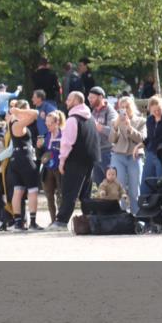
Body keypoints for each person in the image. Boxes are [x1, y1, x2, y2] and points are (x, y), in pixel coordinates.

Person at [54, 92, 100, 230]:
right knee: (86, 194)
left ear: (75, 101)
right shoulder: (90, 118)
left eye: (69, 99)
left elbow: (66, 143)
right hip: (90, 159)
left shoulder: (72, 119)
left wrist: (62, 161)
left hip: (75, 160)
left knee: (69, 191)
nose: (66, 102)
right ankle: (90, 221)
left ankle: (61, 221)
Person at [4, 104, 43, 231]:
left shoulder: (11, 124)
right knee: (33, 190)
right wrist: (19, 111)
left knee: (18, 191)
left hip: (15, 159)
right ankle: (32, 222)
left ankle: (18, 223)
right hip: (25, 159)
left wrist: (17, 112)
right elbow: (35, 114)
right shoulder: (17, 124)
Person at [110, 96, 146, 214]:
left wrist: (130, 127)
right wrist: (116, 126)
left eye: (127, 107)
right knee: (119, 187)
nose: (125, 110)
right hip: (118, 155)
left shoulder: (141, 121)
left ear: (133, 107)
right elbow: (112, 140)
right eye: (122, 107)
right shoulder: (115, 121)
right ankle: (122, 215)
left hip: (134, 156)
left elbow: (143, 139)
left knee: (135, 188)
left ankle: (136, 215)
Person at [88, 87, 118, 186]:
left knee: (111, 184)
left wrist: (99, 127)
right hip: (96, 152)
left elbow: (112, 131)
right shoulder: (93, 112)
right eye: (89, 97)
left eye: (92, 97)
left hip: (107, 152)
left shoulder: (110, 112)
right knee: (100, 184)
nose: (89, 99)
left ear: (100, 97)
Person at [39, 110, 64, 223]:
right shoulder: (46, 135)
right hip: (47, 169)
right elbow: (39, 155)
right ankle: (53, 220)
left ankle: (61, 220)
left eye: (50, 124)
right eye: (46, 123)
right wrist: (38, 147)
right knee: (49, 195)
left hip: (59, 168)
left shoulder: (63, 134)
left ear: (57, 122)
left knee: (61, 195)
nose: (48, 126)